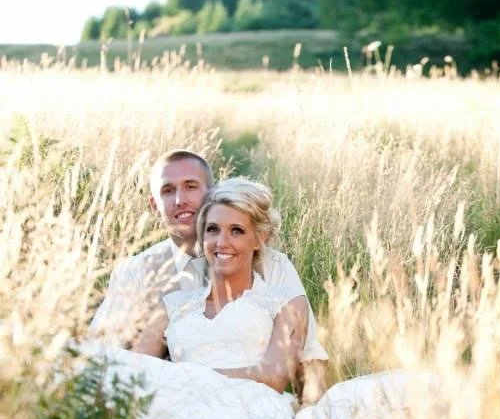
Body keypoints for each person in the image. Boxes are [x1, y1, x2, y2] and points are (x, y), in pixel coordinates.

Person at [80, 178, 461, 419]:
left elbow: (275, 374)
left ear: (258, 239)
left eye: (236, 231)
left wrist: (198, 377)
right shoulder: (175, 305)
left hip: (254, 408)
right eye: (212, 230)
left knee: (408, 396)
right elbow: (142, 368)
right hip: (185, 407)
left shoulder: (282, 302)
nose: (221, 242)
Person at [90, 148, 328, 403]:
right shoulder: (139, 272)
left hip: (255, 407)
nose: (180, 200)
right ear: (154, 205)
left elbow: (309, 358)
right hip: (174, 408)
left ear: (211, 193)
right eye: (167, 191)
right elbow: (103, 356)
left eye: (191, 187)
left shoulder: (274, 266)